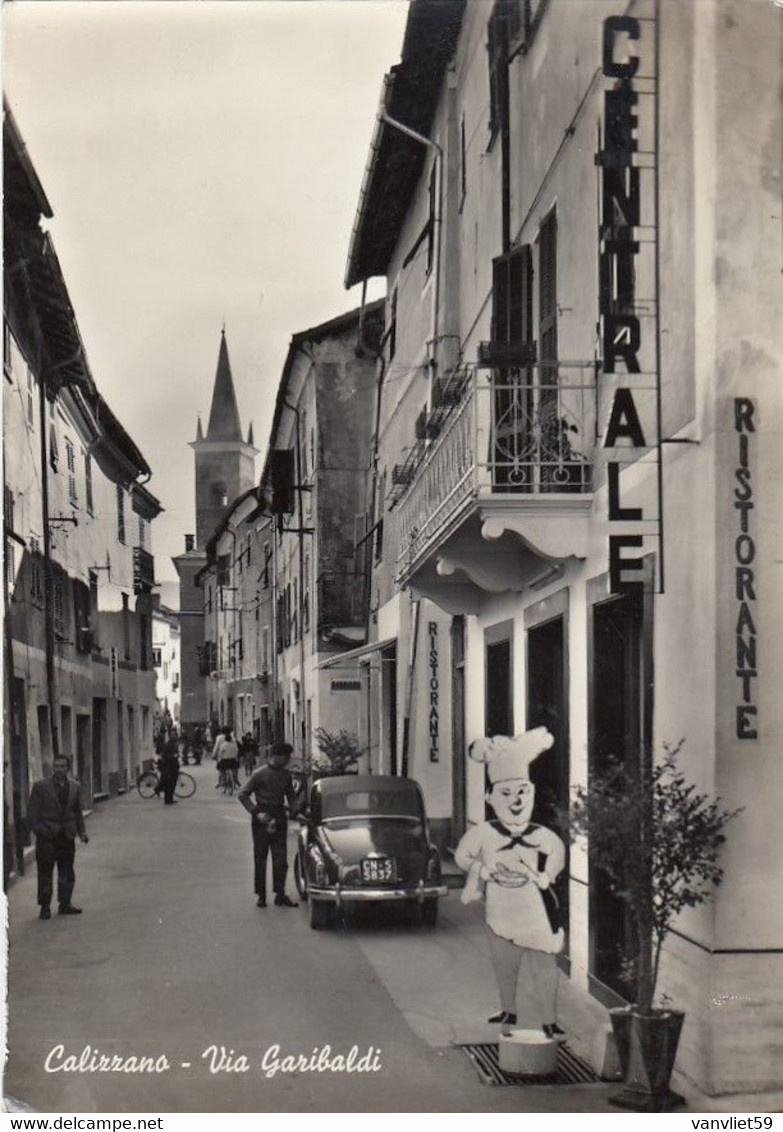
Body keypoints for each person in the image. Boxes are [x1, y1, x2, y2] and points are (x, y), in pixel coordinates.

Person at [454, 728, 566, 1040]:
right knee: (504, 963)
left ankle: (549, 1019)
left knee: (543, 964)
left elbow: (556, 848)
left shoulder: (538, 833)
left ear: (531, 792)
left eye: (522, 792)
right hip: (500, 910)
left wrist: (548, 874)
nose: (515, 800)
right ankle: (508, 1009)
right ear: (490, 797)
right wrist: (483, 870)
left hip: (534, 911)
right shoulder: (485, 833)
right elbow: (462, 856)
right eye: (506, 793)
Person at [237, 741, 299, 908]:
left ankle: (280, 894)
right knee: (261, 857)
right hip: (262, 817)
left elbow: (291, 796)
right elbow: (243, 794)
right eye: (286, 757)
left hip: (279, 815)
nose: (288, 760)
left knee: (281, 858)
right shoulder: (259, 774)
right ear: (276, 756)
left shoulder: (286, 775)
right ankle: (261, 895)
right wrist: (256, 812)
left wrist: (296, 811)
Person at [27, 754, 89, 919]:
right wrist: (39, 831)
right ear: (52, 768)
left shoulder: (75, 786)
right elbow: (32, 813)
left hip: (66, 836)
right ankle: (45, 907)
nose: (59, 769)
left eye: (62, 766)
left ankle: (65, 904)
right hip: (47, 837)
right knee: (45, 871)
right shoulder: (41, 787)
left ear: (68, 768)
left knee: (67, 871)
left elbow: (77, 812)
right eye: (56, 766)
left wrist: (82, 832)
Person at [158, 734, 180, 806]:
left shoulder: (170, 745)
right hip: (170, 768)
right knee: (170, 785)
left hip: (171, 767)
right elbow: (165, 756)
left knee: (170, 785)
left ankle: (169, 799)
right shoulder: (169, 746)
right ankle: (168, 799)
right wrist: (173, 756)